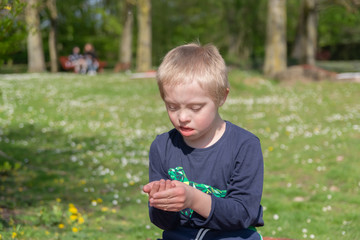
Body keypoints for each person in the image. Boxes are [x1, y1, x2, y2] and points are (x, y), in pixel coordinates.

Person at [143, 43, 264, 240]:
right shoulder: (162, 147)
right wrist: (161, 202)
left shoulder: (244, 145)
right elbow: (163, 223)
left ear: (221, 97)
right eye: (172, 107)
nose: (182, 117)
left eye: (195, 107)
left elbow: (243, 213)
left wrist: (192, 199)